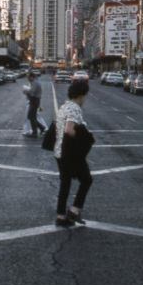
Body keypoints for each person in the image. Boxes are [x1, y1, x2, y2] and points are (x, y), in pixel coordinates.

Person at [54, 80, 95, 227]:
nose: (85, 99)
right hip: (70, 153)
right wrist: (84, 138)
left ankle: (61, 216)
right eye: (85, 95)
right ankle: (74, 210)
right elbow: (69, 129)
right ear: (81, 95)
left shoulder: (64, 106)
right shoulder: (74, 108)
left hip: (59, 152)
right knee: (87, 179)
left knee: (65, 183)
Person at [24, 71, 44, 137]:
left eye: (28, 77)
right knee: (32, 117)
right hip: (34, 101)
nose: (28, 79)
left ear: (32, 77)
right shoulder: (34, 82)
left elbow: (32, 93)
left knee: (31, 117)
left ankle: (35, 132)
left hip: (34, 101)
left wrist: (26, 91)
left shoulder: (35, 83)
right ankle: (41, 128)